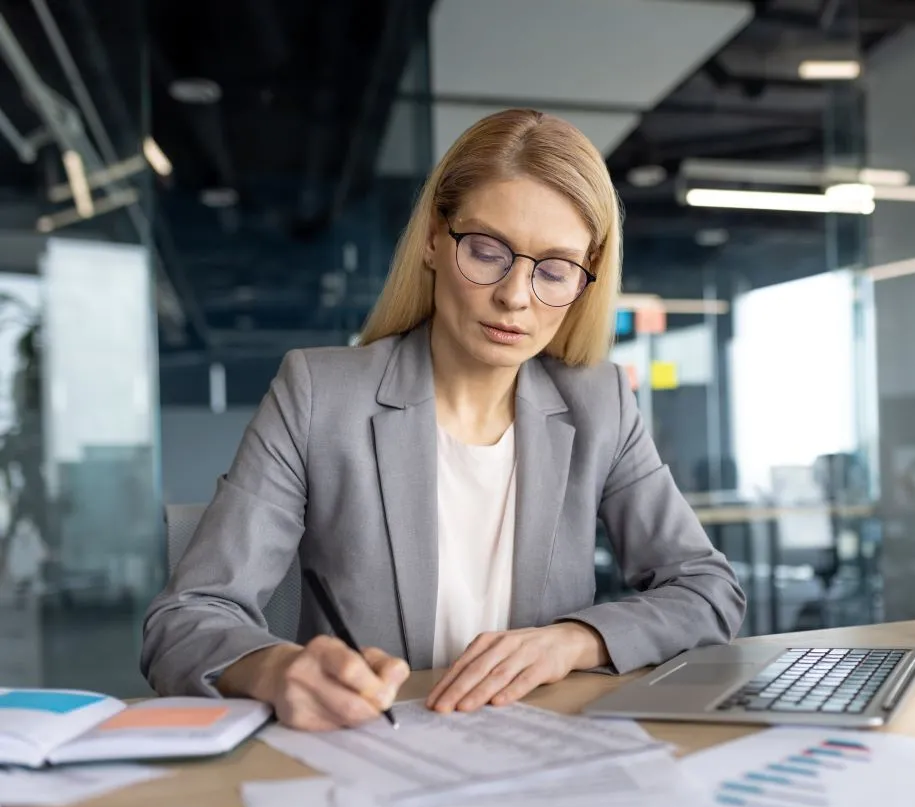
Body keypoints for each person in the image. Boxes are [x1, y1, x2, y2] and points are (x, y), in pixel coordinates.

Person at [140, 108, 746, 732]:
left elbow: (706, 590)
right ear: (434, 237)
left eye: (556, 270)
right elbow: (186, 618)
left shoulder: (601, 404)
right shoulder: (320, 393)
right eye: (486, 252)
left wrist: (571, 641)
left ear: (585, 281)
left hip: (539, 752)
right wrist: (272, 670)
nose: (515, 296)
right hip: (372, 755)